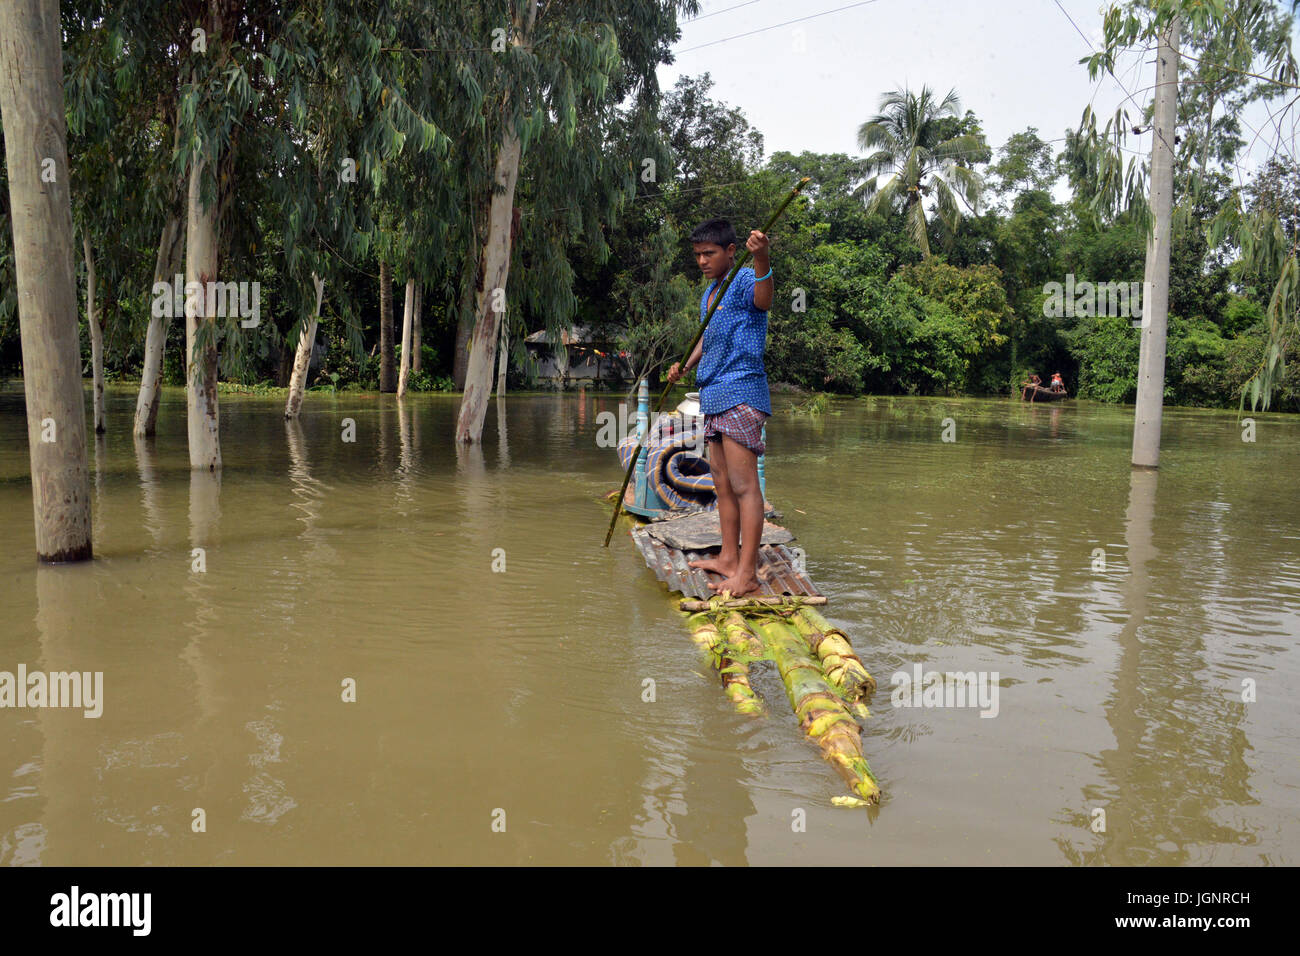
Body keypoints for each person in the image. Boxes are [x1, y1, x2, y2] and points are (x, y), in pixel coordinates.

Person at [666, 218, 772, 598]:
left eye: (709, 253)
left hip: (741, 392)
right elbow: (707, 341)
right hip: (713, 396)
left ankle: (748, 573)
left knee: (745, 487)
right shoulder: (709, 294)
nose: (702, 261)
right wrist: (686, 366)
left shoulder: (743, 279)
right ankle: (728, 558)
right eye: (697, 255)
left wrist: (761, 258)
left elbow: (765, 299)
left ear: (731, 251)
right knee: (723, 486)